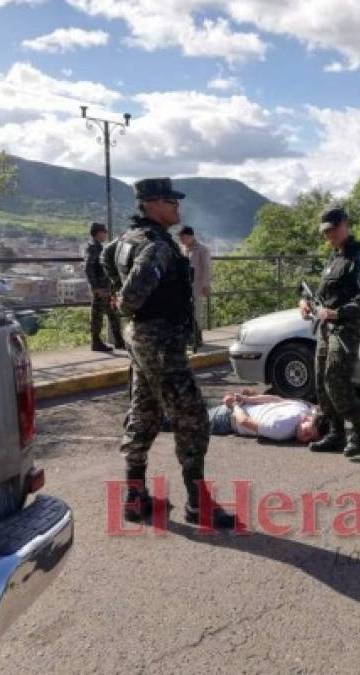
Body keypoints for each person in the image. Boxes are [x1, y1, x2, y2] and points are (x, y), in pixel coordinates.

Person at [106, 177, 234, 529]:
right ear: (151, 204)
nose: (178, 207)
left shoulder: (123, 241)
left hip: (140, 339)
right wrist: (125, 304)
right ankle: (198, 504)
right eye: (171, 202)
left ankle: (135, 497)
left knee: (143, 411)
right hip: (160, 341)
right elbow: (131, 296)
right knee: (192, 417)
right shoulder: (157, 246)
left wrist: (122, 306)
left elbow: (107, 265)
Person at [299, 206, 360, 459]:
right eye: (325, 232)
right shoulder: (335, 256)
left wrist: (338, 313)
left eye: (333, 229)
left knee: (336, 379)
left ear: (345, 223)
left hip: (347, 328)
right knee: (321, 380)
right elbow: (325, 292)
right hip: (326, 327)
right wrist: (305, 302)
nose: (329, 236)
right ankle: (336, 433)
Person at [207, 389, 322, 443]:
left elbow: (244, 422)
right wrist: (245, 399)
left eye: (310, 439)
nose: (306, 439)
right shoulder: (302, 409)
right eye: (309, 432)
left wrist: (234, 405)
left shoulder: (283, 431)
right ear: (308, 418)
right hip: (226, 417)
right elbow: (275, 399)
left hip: (230, 418)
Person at [84, 222, 124, 352]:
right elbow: (89, 268)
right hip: (100, 289)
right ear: (97, 233)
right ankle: (96, 342)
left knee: (113, 314)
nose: (106, 234)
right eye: (103, 232)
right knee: (98, 316)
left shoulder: (98, 247)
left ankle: (119, 341)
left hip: (106, 289)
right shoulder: (93, 248)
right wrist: (95, 287)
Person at [178, 225, 212, 352]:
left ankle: (197, 339)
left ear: (190, 236)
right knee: (186, 313)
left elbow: (207, 268)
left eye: (183, 238)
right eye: (180, 238)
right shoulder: (182, 249)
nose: (181, 240)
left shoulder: (202, 249)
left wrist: (206, 285)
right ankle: (190, 338)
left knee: (196, 312)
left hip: (197, 285)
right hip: (184, 287)